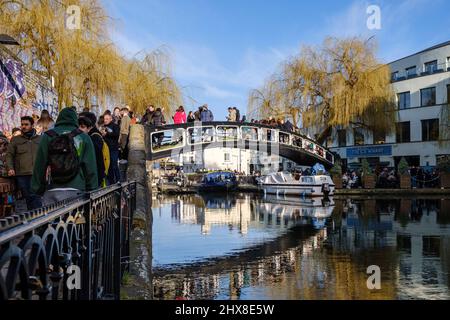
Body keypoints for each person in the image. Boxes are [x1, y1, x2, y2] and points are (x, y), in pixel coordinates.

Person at [31, 107, 98, 205]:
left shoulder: (47, 136)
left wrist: (37, 188)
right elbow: (90, 166)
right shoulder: (83, 137)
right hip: (77, 188)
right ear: (75, 119)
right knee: (74, 219)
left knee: (52, 218)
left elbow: (40, 165)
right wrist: (92, 188)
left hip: (52, 187)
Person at [6, 116, 42, 210]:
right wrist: (10, 168)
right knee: (28, 197)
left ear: (32, 125)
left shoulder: (40, 139)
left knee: (36, 196)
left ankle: (38, 218)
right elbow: (9, 155)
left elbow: (45, 154)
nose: (23, 126)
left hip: (37, 173)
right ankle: (34, 218)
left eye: (26, 124)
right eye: (22, 124)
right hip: (22, 174)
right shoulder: (16, 140)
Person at [79, 112, 107, 187]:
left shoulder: (93, 137)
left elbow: (94, 159)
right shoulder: (93, 134)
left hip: (95, 177)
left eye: (81, 125)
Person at [101, 113, 120, 185]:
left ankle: (118, 180)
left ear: (111, 119)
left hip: (114, 148)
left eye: (107, 119)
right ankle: (111, 182)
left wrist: (107, 134)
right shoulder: (103, 127)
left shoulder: (115, 126)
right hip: (106, 149)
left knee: (114, 164)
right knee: (108, 166)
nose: (105, 120)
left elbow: (116, 135)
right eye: (104, 119)